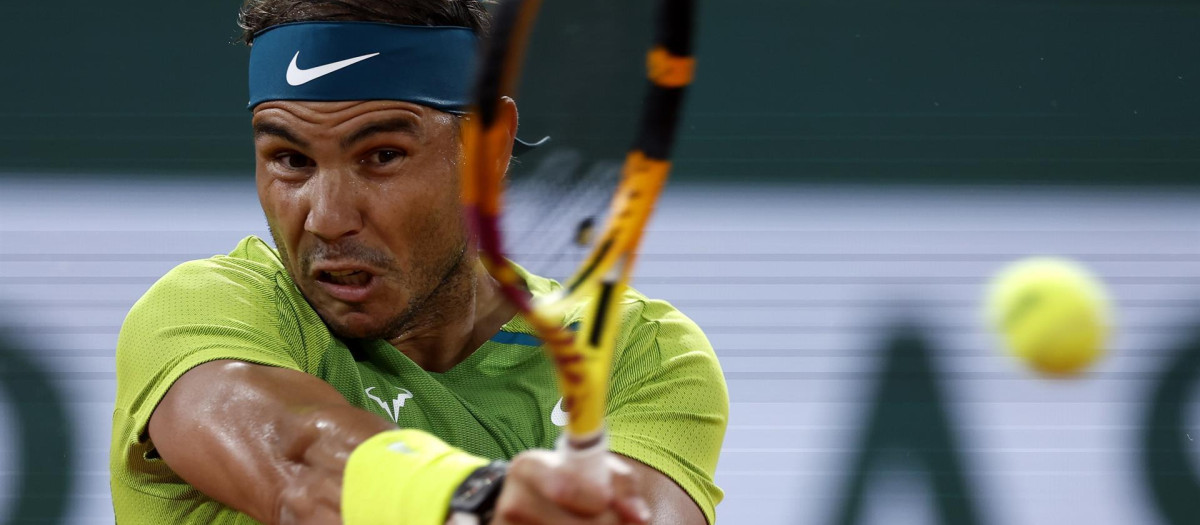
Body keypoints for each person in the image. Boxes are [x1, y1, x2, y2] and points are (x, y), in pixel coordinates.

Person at [108, 1, 728, 523]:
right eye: (292, 161)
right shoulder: (203, 311)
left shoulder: (637, 352)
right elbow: (297, 458)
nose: (327, 218)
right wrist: (474, 502)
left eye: (382, 155)